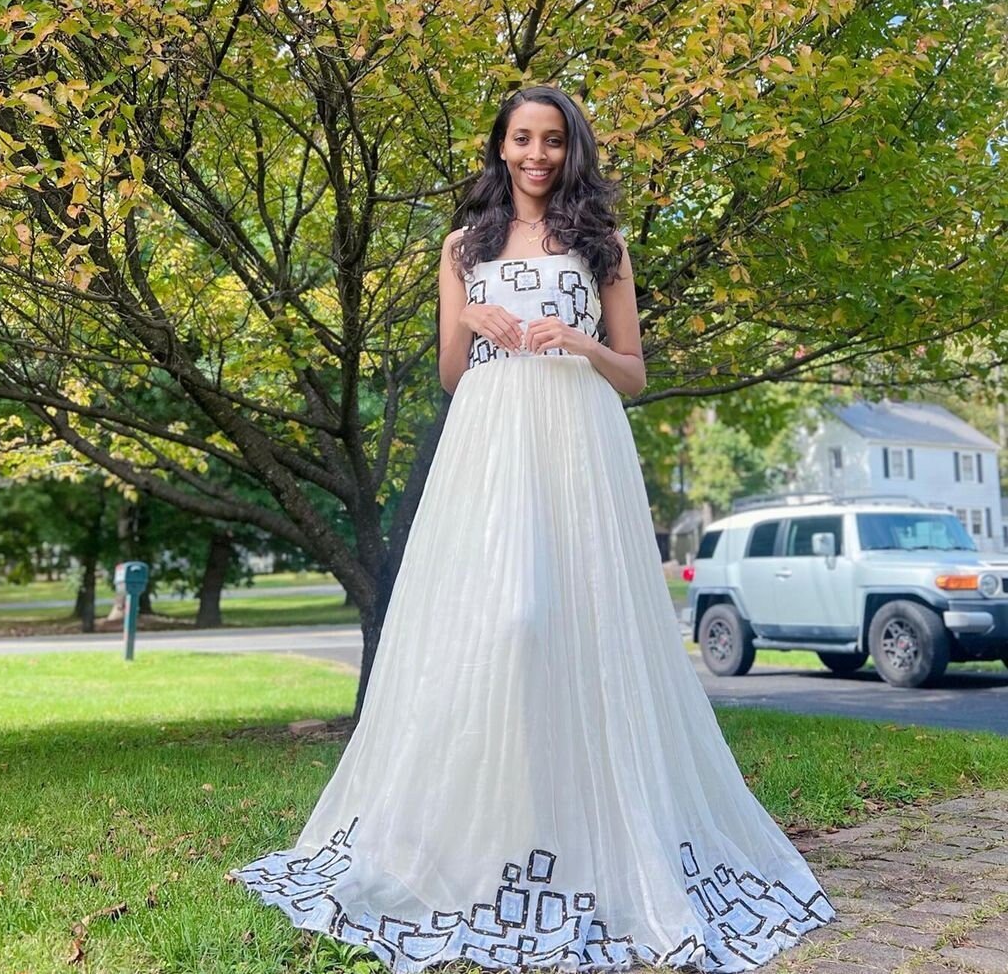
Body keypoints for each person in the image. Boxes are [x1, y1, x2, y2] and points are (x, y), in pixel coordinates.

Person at [230, 87, 837, 972]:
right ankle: (483, 836)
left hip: (576, 445)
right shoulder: (460, 245)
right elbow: (449, 371)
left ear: (571, 149)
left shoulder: (604, 245)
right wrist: (471, 319)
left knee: (577, 630)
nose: (538, 154)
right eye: (523, 138)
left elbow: (631, 372)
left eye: (553, 139)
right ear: (501, 147)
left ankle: (584, 834)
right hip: (487, 447)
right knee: (503, 622)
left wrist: (578, 342)